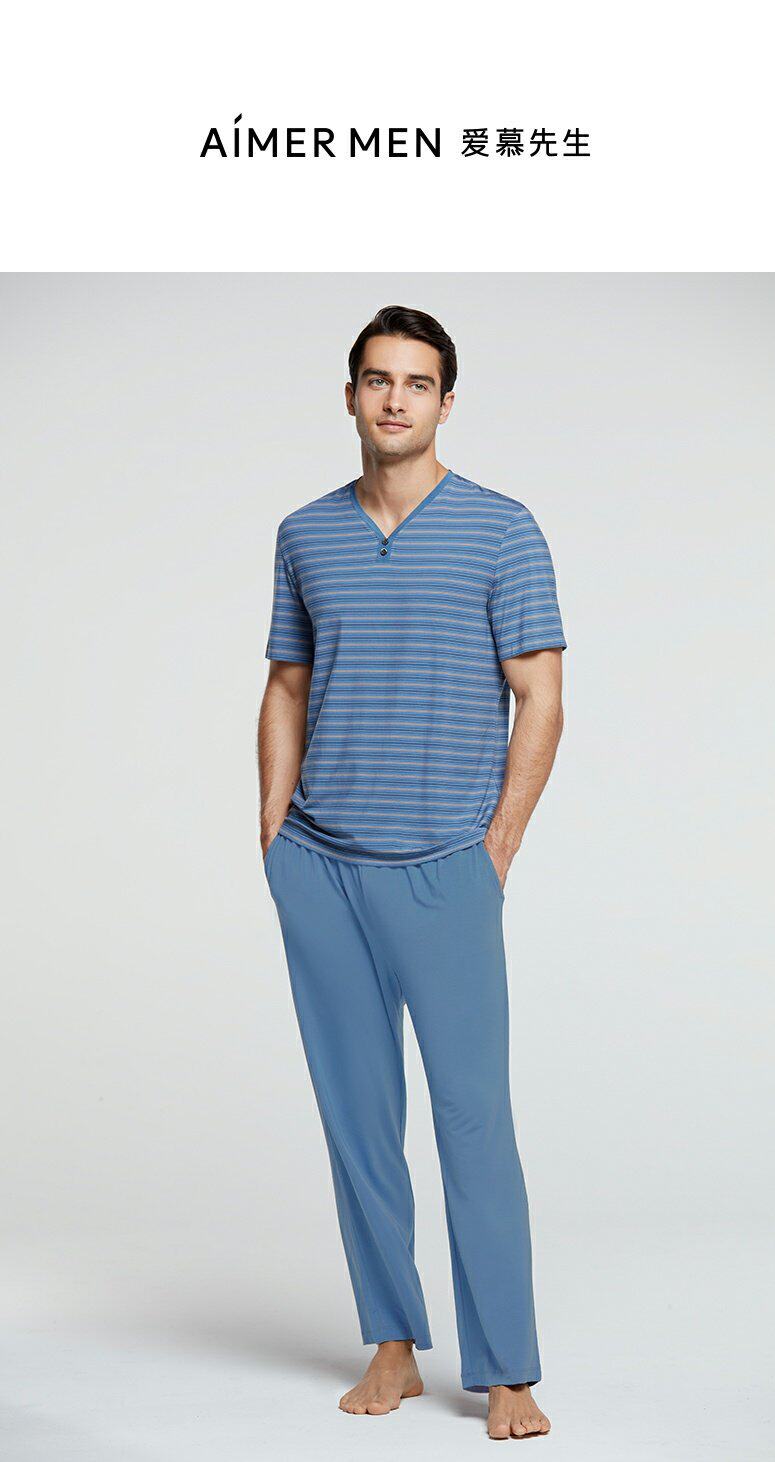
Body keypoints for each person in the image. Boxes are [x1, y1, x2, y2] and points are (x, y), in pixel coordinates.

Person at [257, 305, 565, 1440]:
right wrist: (273, 829)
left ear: (445, 401)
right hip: (321, 869)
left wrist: (498, 845)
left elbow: (541, 694)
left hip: (445, 868)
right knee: (358, 1123)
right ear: (350, 396)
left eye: (417, 382)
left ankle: (507, 1369)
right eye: (378, 380)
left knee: (473, 1118)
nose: (395, 399)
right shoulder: (305, 533)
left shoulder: (500, 529)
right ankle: (390, 1340)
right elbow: (287, 684)